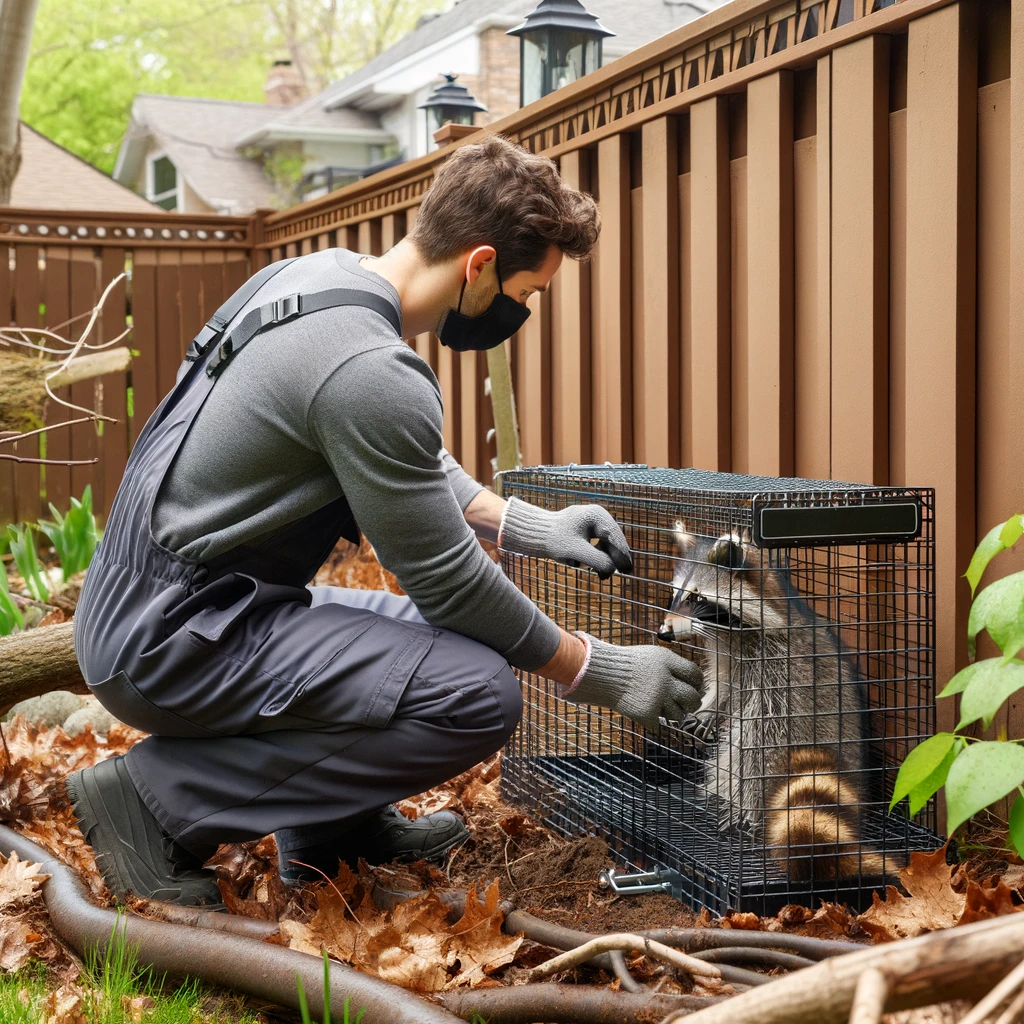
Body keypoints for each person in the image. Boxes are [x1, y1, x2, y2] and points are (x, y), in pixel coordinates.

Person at [68, 136, 704, 907]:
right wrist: (595, 668)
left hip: (162, 602)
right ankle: (156, 799)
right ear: (478, 267)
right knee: (476, 692)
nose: (523, 311)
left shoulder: (318, 279)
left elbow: (400, 459)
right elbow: (450, 584)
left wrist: (528, 525)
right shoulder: (370, 369)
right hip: (172, 639)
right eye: (527, 293)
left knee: (421, 651)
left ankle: (330, 832)